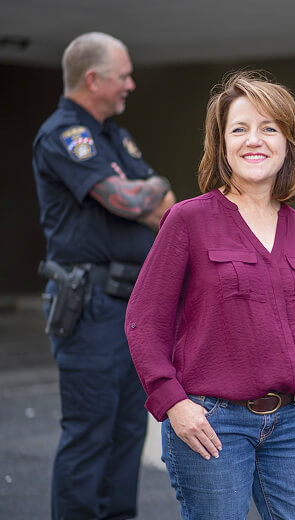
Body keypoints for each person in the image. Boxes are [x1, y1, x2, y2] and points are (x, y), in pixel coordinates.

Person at [124, 70, 295, 520]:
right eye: (239, 129)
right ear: (221, 143)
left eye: (269, 129)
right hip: (212, 422)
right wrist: (173, 402)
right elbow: (143, 322)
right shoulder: (187, 220)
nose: (254, 140)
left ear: (289, 143)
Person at [31, 32, 176, 520]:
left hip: (131, 306)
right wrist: (152, 187)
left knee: (128, 431)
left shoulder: (114, 135)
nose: (130, 85)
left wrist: (147, 195)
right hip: (90, 306)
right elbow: (128, 199)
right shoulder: (64, 134)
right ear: (93, 80)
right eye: (123, 76)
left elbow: (162, 209)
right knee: (90, 432)